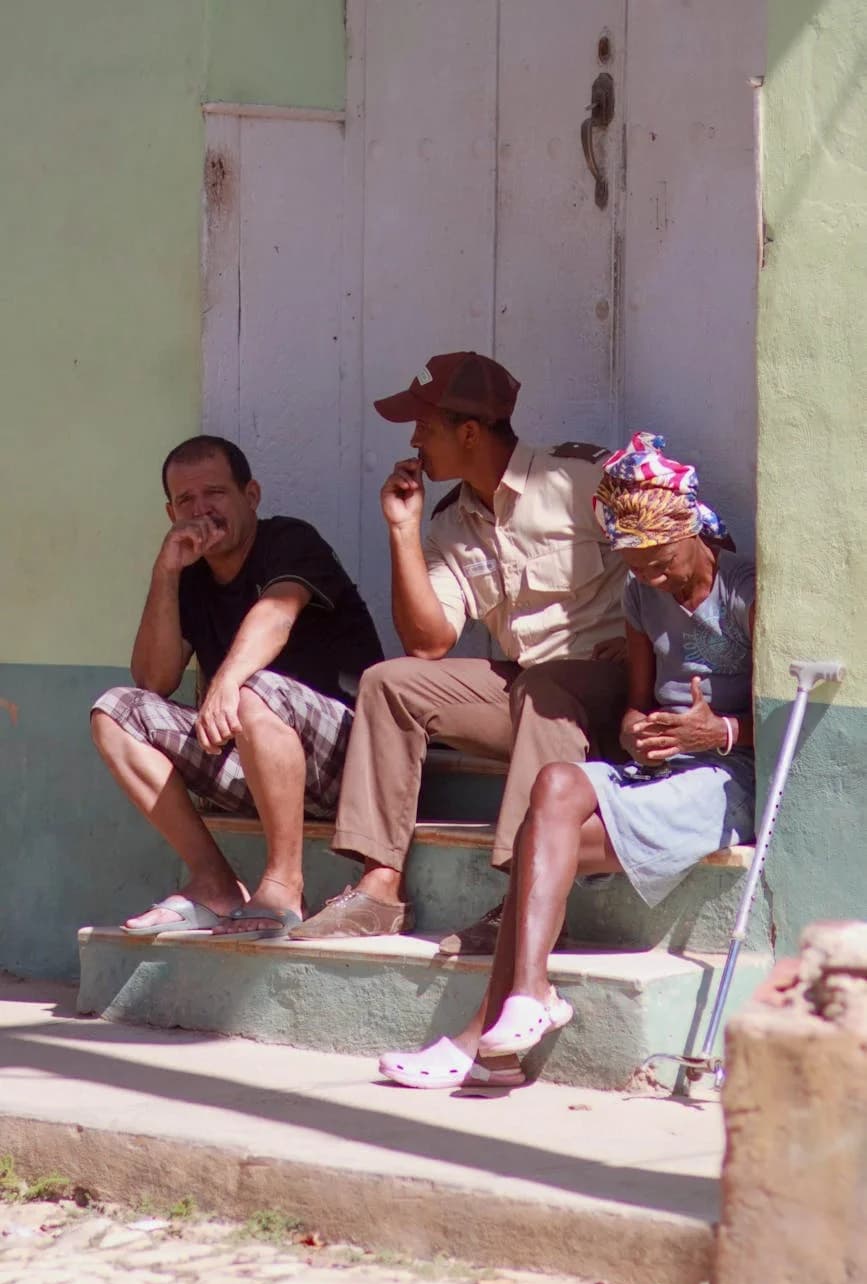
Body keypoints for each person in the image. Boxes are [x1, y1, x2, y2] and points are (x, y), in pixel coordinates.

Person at [378, 431, 756, 1088]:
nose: (649, 577)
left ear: (692, 526)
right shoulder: (640, 596)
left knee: (534, 845)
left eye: (659, 560)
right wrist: (639, 731)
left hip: (726, 779)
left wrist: (716, 733)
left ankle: (483, 1040)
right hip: (661, 771)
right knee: (553, 785)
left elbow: (783, 724)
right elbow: (635, 706)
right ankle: (527, 998)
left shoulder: (746, 593)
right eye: (633, 564)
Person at [287, 351, 628, 947]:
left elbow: (674, 541)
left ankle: (526, 897)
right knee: (389, 682)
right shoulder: (450, 521)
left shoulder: (579, 478)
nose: (414, 439)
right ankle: (379, 889)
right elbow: (428, 641)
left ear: (469, 431)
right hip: (531, 691)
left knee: (546, 690)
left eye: (425, 426)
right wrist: (402, 530)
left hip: (611, 685)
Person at [91, 435, 383, 938]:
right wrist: (166, 572)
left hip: (350, 762)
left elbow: (277, 615)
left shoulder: (291, 540)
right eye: (186, 501)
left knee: (255, 692)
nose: (202, 510)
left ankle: (284, 886)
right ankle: (214, 882)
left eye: (216, 494)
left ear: (251, 495)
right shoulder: (191, 575)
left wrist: (225, 683)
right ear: (170, 511)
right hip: (252, 758)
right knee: (115, 711)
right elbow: (154, 680)